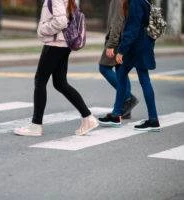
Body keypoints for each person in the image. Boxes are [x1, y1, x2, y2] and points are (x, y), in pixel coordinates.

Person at [14, 0, 99, 137]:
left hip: (55, 44)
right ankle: (88, 118)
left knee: (40, 81)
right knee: (60, 83)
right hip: (63, 44)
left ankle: (36, 125)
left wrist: (42, 28)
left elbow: (61, 21)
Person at [99, 0, 161, 131]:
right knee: (131, 76)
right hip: (143, 45)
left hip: (136, 48)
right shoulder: (143, 1)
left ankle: (150, 119)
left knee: (133, 78)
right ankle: (150, 118)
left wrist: (121, 50)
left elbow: (132, 29)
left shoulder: (136, 3)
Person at [99, 0, 138, 119]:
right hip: (125, 40)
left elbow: (117, 22)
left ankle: (128, 98)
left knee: (104, 67)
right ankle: (125, 109)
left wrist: (111, 44)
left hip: (117, 41)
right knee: (122, 71)